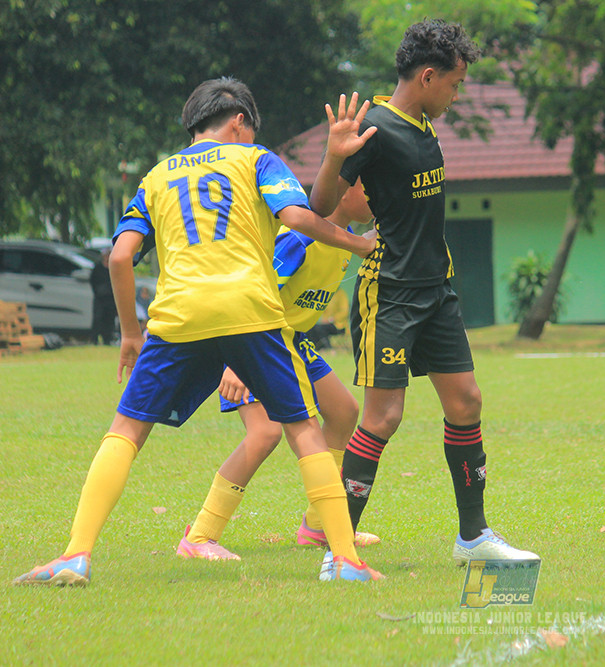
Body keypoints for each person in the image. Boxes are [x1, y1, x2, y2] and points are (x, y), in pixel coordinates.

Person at [14, 77, 381, 586]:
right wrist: (356, 244)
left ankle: (75, 555)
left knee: (125, 432)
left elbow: (120, 256)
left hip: (177, 316)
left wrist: (129, 334)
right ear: (239, 121)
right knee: (302, 430)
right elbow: (298, 216)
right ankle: (344, 560)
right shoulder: (256, 160)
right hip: (249, 311)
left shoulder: (157, 176)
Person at [309, 19, 538, 565]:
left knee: (467, 402)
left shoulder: (423, 123)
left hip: (438, 290)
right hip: (390, 292)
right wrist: (334, 156)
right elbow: (319, 206)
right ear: (428, 76)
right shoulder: (376, 129)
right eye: (455, 85)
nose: (457, 96)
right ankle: (338, 553)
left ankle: (473, 539)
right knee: (383, 417)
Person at [176, 182, 381, 561]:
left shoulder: (345, 240)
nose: (377, 196)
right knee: (265, 433)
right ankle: (201, 535)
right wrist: (236, 362)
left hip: (295, 342)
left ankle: (318, 527)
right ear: (344, 188)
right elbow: (253, 293)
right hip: (258, 340)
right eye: (371, 187)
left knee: (344, 412)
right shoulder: (298, 239)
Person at [90, 248, 116, 345]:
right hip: (100, 298)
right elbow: (93, 281)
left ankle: (107, 339)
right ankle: (94, 339)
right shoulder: (97, 268)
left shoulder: (114, 267)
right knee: (97, 318)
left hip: (110, 298)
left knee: (109, 319)